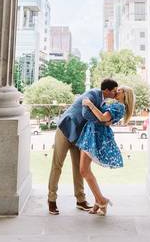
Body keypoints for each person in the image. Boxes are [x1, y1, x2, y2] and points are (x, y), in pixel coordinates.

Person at [47, 78, 119, 215]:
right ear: (107, 90)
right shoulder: (92, 94)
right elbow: (86, 113)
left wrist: (106, 120)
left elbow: (104, 117)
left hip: (79, 136)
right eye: (114, 91)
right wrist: (101, 121)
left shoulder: (104, 102)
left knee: (79, 168)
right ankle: (51, 200)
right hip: (66, 129)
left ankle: (80, 200)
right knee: (57, 165)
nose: (115, 94)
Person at [77, 86, 136, 216]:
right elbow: (106, 120)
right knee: (84, 170)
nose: (115, 91)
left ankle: (101, 200)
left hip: (95, 136)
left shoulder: (119, 106)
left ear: (124, 95)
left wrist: (90, 104)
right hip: (91, 133)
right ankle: (99, 201)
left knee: (84, 170)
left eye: (119, 90)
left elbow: (103, 118)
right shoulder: (116, 105)